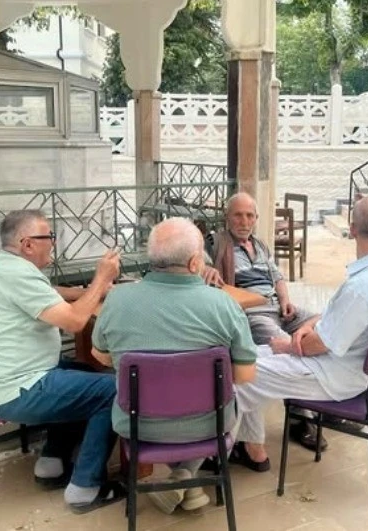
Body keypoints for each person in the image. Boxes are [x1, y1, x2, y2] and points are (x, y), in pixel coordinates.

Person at [230, 195, 368, 471]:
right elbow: (336, 317)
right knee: (246, 358)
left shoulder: (364, 287)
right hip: (353, 369)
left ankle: (222, 454)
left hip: (333, 375)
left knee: (237, 372)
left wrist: (287, 346)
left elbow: (318, 345)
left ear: (352, 229)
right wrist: (308, 325)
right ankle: (250, 446)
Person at [91, 217, 257, 514]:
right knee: (236, 398)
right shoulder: (225, 305)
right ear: (195, 263)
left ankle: (182, 478)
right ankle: (185, 476)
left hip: (138, 426)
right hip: (208, 424)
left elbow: (102, 356)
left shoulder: (116, 301)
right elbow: (245, 375)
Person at [0, 209, 126, 514]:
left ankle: (52, 464)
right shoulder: (17, 274)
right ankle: (85, 488)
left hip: (10, 377)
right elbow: (75, 321)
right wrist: (101, 279)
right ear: (27, 244)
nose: (53, 241)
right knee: (116, 390)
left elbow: (49, 292)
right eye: (48, 236)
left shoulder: (4, 267)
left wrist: (91, 291)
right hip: (14, 388)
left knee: (85, 374)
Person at [201, 191, 329, 451]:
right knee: (290, 349)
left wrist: (285, 301)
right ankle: (301, 417)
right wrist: (206, 267)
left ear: (256, 218)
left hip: (278, 308)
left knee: (325, 327)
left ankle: (326, 398)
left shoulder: (259, 245)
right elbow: (194, 258)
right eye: (238, 215)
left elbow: (277, 277)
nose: (244, 221)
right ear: (227, 217)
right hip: (253, 312)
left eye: (250, 216)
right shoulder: (216, 242)